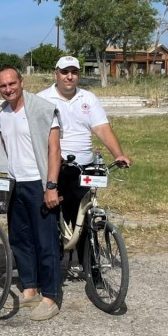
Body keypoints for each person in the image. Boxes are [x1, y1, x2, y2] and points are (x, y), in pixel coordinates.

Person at [38, 56, 132, 260]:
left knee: (84, 217)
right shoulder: (42, 99)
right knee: (52, 215)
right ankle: (52, 264)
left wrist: (118, 154)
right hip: (55, 165)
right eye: (65, 72)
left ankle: (90, 267)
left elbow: (102, 128)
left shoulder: (88, 98)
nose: (69, 77)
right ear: (56, 73)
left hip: (84, 166)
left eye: (74, 72)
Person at [0, 67, 62, 321]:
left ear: (22, 82)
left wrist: (50, 186)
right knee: (20, 239)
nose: (8, 89)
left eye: (12, 83)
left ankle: (50, 296)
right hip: (14, 184)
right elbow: (0, 150)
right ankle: (30, 289)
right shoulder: (0, 114)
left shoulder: (42, 109)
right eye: (3, 86)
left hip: (38, 183)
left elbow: (54, 150)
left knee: (46, 242)